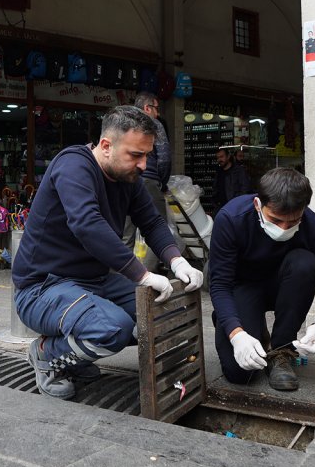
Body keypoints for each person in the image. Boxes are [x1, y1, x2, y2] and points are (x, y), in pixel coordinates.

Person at [14, 105, 205, 399]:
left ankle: (76, 354)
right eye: (135, 155)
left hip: (94, 282)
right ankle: (47, 356)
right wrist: (141, 275)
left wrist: (176, 261)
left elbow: (152, 221)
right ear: (106, 145)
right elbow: (87, 224)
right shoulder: (73, 166)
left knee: (164, 316)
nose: (143, 164)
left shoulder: (128, 179)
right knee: (113, 329)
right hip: (42, 287)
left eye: (147, 155)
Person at [208, 167, 315, 391]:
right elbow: (220, 285)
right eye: (275, 220)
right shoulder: (231, 219)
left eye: (292, 222)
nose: (283, 228)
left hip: (288, 287)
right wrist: (236, 334)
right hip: (244, 286)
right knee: (239, 373)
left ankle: (281, 350)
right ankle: (240, 324)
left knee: (305, 263)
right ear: (257, 205)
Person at [121, 92, 170, 270]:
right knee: (159, 228)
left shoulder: (126, 123)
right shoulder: (154, 124)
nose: (158, 114)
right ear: (148, 108)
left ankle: (125, 275)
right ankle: (147, 275)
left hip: (126, 179)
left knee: (126, 232)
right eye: (156, 109)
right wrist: (161, 182)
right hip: (149, 180)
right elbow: (164, 158)